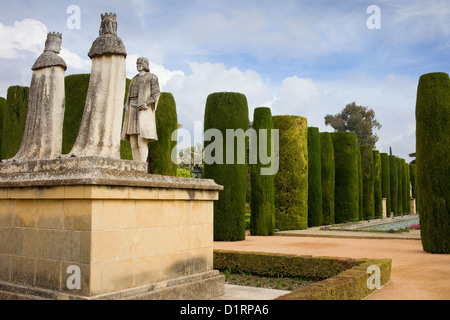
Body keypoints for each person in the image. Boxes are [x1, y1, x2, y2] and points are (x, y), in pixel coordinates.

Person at [121, 57, 160, 162]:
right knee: (133, 143)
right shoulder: (134, 78)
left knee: (141, 141)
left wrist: (145, 103)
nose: (138, 65)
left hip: (143, 111)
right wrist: (126, 105)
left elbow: (156, 94)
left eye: (140, 63)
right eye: (137, 63)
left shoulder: (152, 77)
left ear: (145, 64)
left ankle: (142, 166)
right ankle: (135, 165)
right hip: (132, 110)